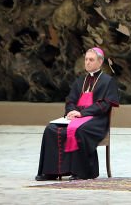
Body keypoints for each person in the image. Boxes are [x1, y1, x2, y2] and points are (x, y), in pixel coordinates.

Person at [36, 47, 120, 181]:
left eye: (91, 60)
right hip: (76, 117)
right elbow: (70, 100)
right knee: (51, 129)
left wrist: (82, 113)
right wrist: (71, 112)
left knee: (79, 130)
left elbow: (104, 105)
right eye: (86, 59)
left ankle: (81, 172)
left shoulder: (108, 81)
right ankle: (51, 171)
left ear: (100, 62)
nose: (87, 62)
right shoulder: (80, 80)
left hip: (96, 120)